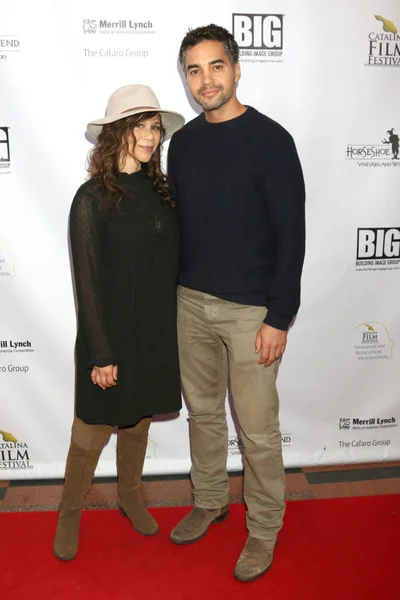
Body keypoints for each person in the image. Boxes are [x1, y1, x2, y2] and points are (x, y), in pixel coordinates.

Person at [168, 25, 306, 582]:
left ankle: (265, 528)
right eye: (194, 70)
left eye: (215, 66)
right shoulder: (184, 143)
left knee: (256, 428)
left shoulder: (272, 140)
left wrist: (280, 314)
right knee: (202, 414)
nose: (206, 79)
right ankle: (209, 499)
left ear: (237, 68)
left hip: (252, 312)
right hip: (190, 302)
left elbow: (291, 234)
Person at [53, 84, 185, 561]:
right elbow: (85, 282)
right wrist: (101, 352)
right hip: (108, 335)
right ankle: (70, 511)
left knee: (138, 424)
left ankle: (130, 495)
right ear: (116, 133)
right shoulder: (91, 199)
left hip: (154, 333)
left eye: (155, 127)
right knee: (89, 432)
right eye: (139, 125)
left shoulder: (162, 192)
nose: (150, 136)